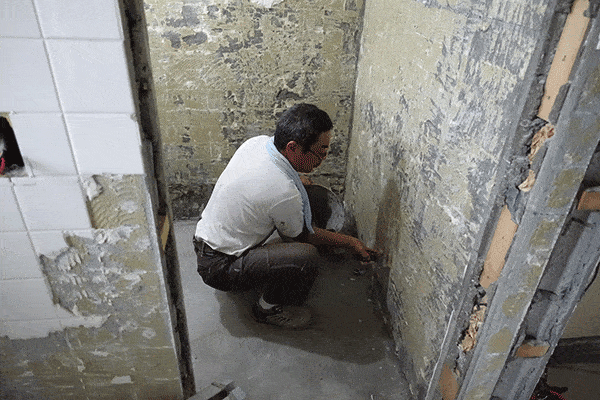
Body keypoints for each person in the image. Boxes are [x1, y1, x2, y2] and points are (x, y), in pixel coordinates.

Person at [193, 103, 376, 328]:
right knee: (305, 256)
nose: (323, 159)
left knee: (290, 210)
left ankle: (257, 271)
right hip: (219, 268)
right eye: (320, 152)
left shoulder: (257, 143)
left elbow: (272, 179)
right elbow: (303, 236)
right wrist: (351, 242)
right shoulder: (283, 192)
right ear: (293, 147)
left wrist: (296, 181)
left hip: (205, 238)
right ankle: (268, 308)